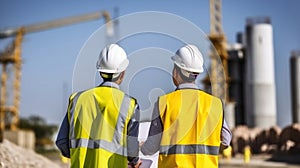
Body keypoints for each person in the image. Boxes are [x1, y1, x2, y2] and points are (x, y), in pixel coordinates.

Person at [141, 44, 232, 167]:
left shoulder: (164, 103)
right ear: (197, 74)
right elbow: (226, 140)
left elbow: (150, 148)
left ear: (176, 71)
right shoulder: (215, 104)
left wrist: (141, 147)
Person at [56, 44, 141, 168]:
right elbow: (132, 149)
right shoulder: (129, 104)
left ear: (100, 72)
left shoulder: (76, 100)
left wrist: (79, 154)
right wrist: (134, 161)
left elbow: (62, 142)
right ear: (122, 73)